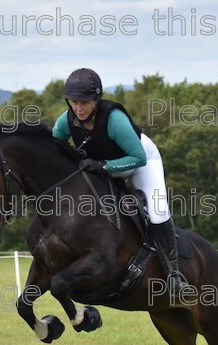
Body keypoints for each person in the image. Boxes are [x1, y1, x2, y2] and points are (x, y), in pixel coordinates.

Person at [52, 68, 189, 297]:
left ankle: (174, 275)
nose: (79, 108)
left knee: (157, 210)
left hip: (140, 161)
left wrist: (103, 166)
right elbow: (53, 149)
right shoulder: (66, 120)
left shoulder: (114, 119)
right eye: (74, 102)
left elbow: (138, 158)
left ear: (96, 99)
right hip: (105, 164)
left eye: (84, 102)